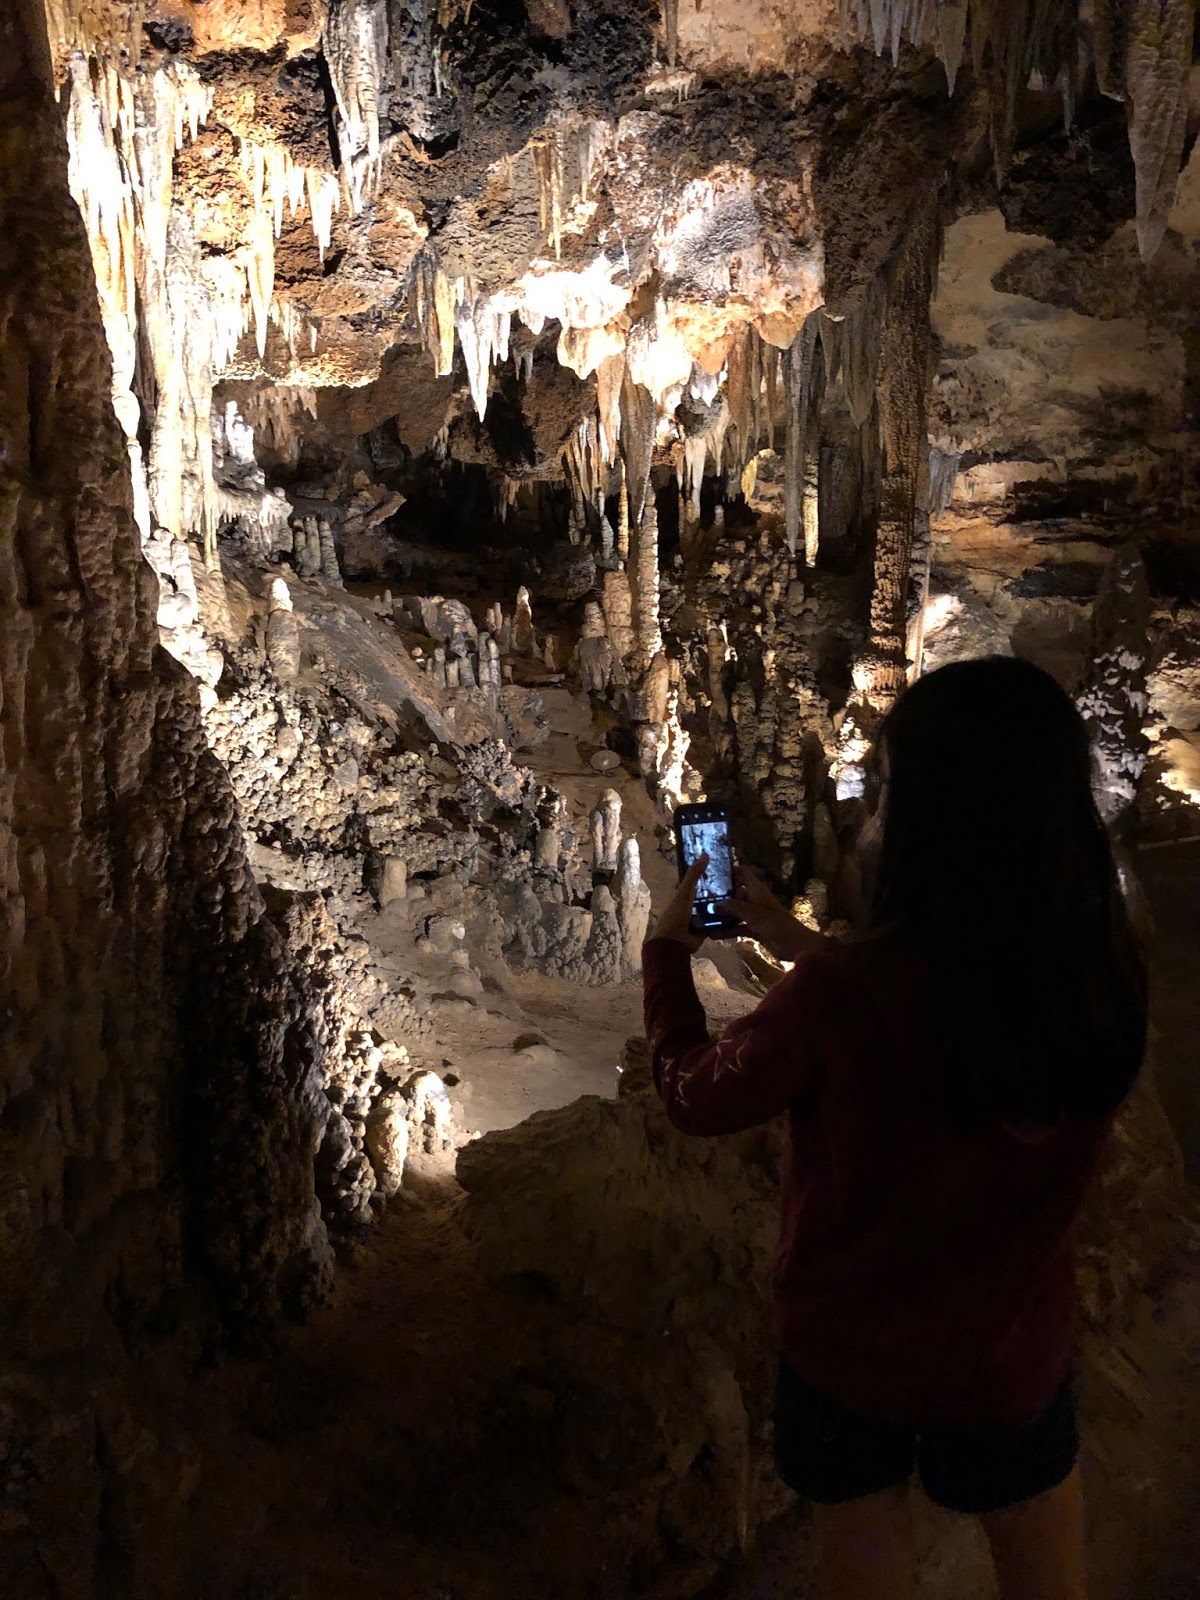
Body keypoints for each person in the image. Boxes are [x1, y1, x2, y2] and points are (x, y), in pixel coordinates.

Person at [642, 657, 1147, 1600]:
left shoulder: (848, 1001)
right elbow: (949, 1001)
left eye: (885, 790)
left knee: (868, 1553)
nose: (873, 813)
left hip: (852, 1354)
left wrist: (666, 954)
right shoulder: (1102, 978)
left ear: (930, 823)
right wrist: (797, 944)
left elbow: (694, 1095)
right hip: (1010, 1346)